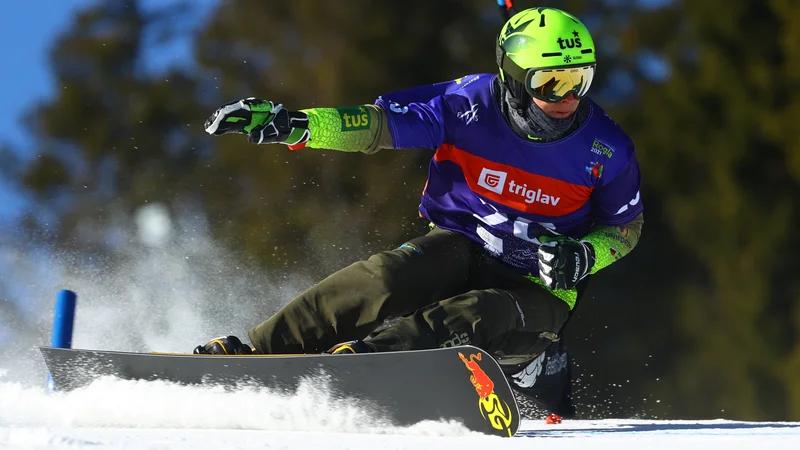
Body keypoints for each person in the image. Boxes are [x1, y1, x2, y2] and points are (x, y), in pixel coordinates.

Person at [196, 7, 643, 417]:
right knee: (384, 278)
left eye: (580, 81)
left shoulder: (606, 148)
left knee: (477, 313)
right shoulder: (467, 105)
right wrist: (299, 125)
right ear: (513, 78)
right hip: (463, 246)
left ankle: (371, 364)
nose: (568, 98)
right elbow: (377, 125)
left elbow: (625, 229)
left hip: (539, 289)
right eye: (552, 83)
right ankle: (257, 352)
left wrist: (584, 255)